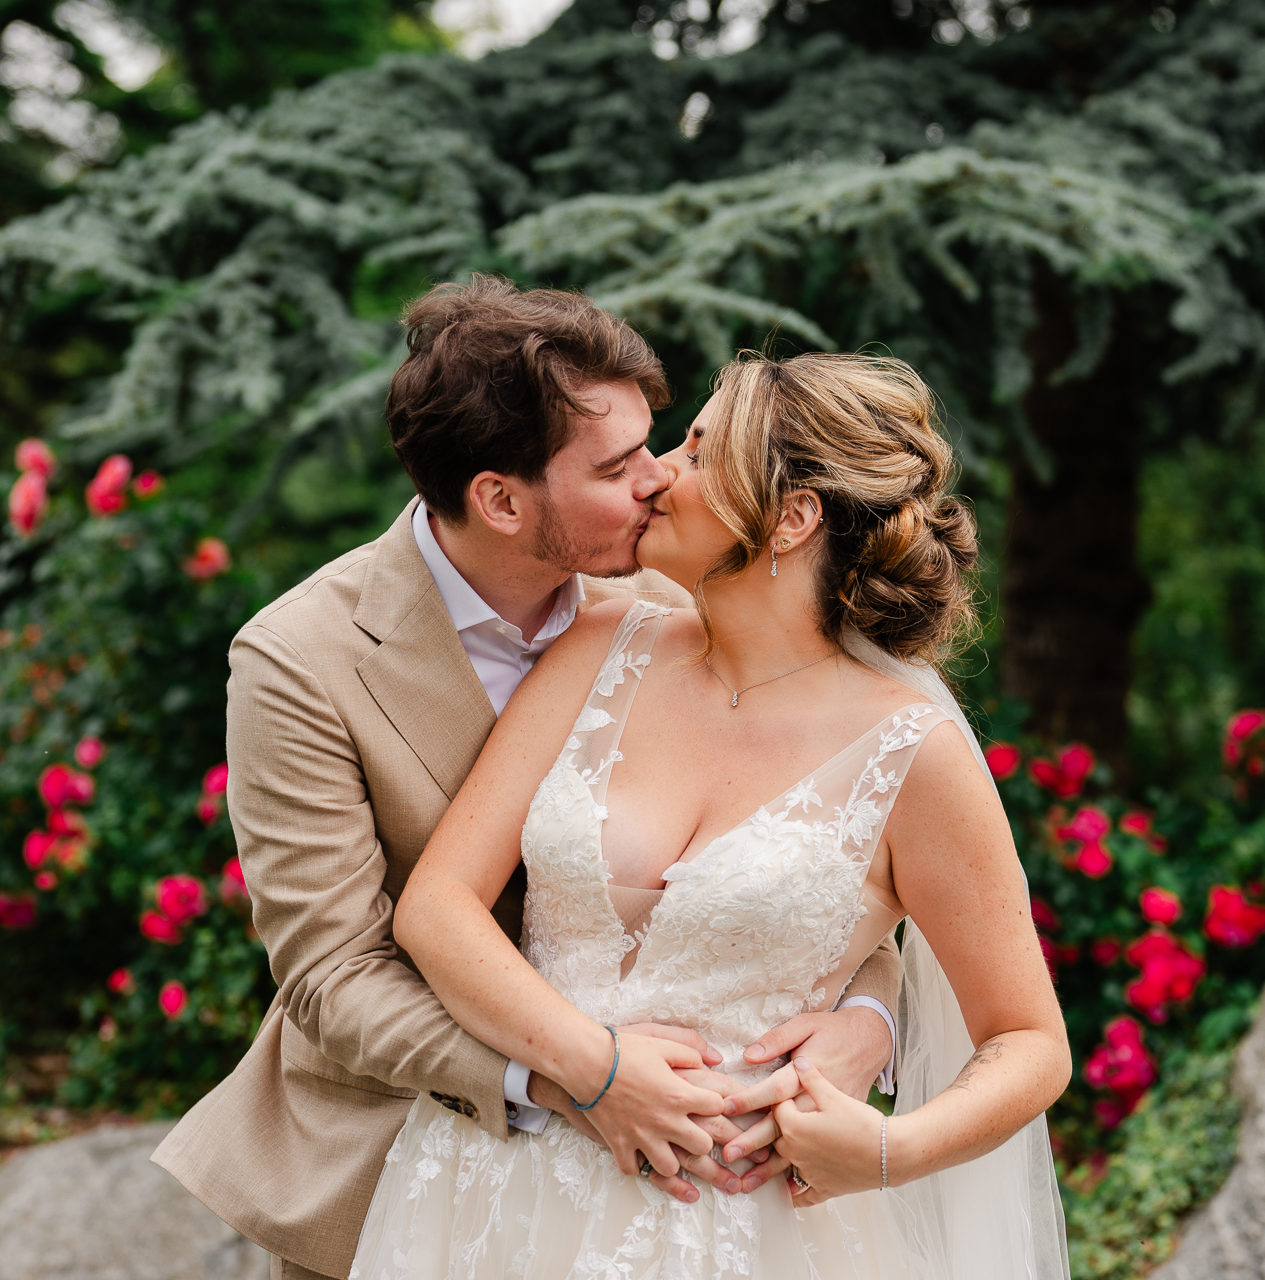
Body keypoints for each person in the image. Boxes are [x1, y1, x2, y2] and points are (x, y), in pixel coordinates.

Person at [152, 279, 905, 1280]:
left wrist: (868, 1018)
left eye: (656, 444)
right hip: (399, 1166)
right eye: (616, 465)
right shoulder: (301, 660)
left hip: (686, 1183)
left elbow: (826, 834)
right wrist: (569, 1077)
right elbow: (332, 977)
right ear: (501, 500)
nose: (659, 481)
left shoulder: (670, 591)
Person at [351, 351, 1072, 1279]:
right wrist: (594, 1068)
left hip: (742, 1229)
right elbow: (438, 904)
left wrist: (887, 1151)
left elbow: (1028, 1041)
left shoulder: (911, 754)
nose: (657, 475)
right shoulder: (602, 643)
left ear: (792, 515)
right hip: (493, 1198)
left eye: (695, 451)